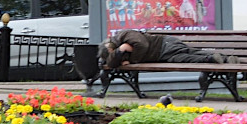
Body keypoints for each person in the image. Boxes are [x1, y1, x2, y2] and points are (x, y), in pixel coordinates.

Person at [98, 29, 237, 69]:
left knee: (186, 55)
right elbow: (111, 63)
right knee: (188, 56)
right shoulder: (119, 50)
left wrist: (133, 60)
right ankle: (219, 58)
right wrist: (121, 51)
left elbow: (143, 45)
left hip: (164, 45)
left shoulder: (125, 34)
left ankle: (217, 58)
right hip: (162, 54)